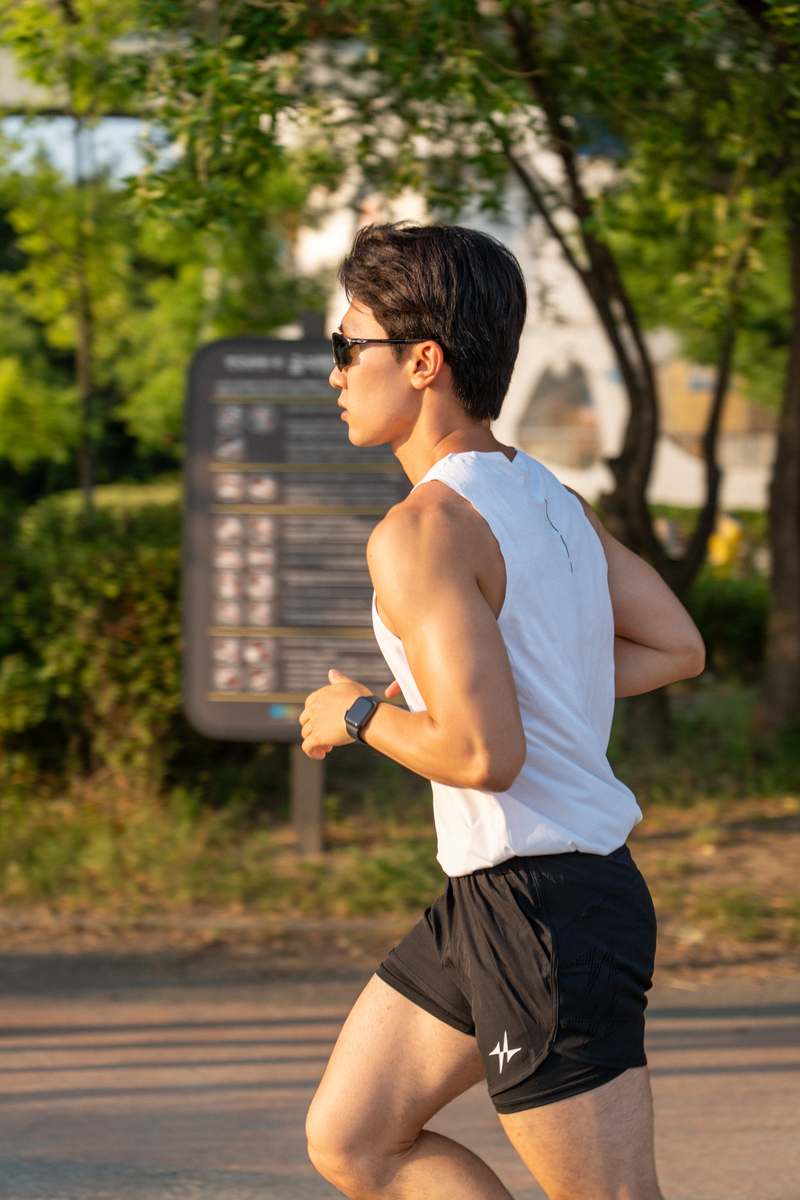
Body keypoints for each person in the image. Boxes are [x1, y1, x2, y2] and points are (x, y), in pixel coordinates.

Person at [298, 221, 705, 1200]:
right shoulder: (546, 498)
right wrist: (526, 682)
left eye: (347, 346)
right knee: (356, 1139)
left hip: (543, 905)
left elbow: (483, 756)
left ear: (423, 362)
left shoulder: (423, 529)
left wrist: (354, 715)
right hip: (495, 896)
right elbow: (675, 647)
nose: (335, 373)